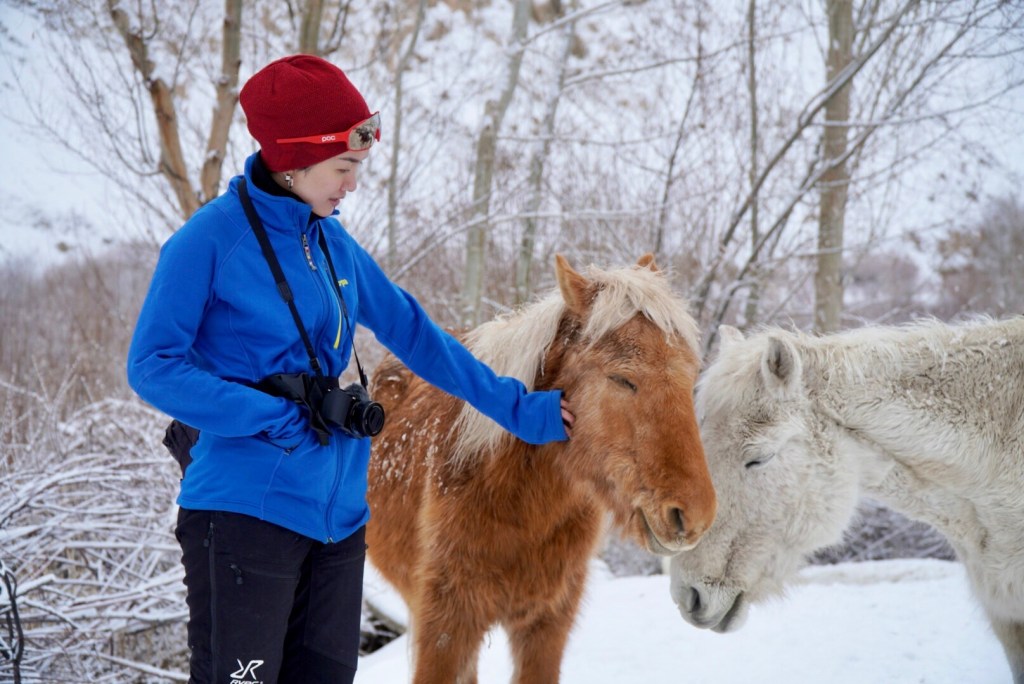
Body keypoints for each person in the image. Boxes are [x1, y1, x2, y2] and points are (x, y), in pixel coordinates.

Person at [126, 54, 574, 684]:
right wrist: (271, 415)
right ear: (294, 161)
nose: (352, 185)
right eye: (343, 167)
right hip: (244, 516)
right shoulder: (208, 241)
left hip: (338, 522)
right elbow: (152, 366)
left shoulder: (332, 243)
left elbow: (417, 336)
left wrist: (520, 410)